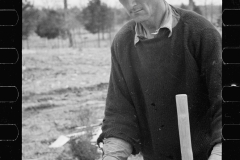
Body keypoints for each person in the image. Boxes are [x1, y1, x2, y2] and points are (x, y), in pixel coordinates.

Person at [97, 0, 222, 159]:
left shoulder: (200, 32)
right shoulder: (123, 42)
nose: (130, 4)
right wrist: (112, 157)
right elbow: (120, 115)